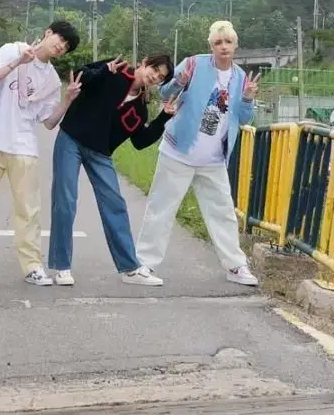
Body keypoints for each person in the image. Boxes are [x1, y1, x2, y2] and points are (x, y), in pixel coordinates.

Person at [136, 21, 260, 286]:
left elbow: (244, 117)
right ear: (211, 46)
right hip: (178, 151)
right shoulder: (193, 63)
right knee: (161, 208)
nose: (223, 47)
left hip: (214, 159)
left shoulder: (240, 78)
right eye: (218, 42)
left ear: (235, 45)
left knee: (223, 212)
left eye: (228, 42)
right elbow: (164, 92)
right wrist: (179, 81)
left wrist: (248, 97)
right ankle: (144, 263)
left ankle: (235, 266)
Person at [0, 20, 81, 290]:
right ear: (47, 32)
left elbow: (48, 122)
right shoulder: (12, 49)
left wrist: (68, 99)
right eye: (60, 39)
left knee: (28, 211)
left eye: (66, 46)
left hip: (25, 148)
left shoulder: (50, 78)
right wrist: (17, 63)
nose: (61, 46)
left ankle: (32, 266)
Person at [46, 52, 177, 287]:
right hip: (71, 139)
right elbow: (80, 76)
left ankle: (130, 269)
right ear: (144, 63)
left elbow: (140, 141)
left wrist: (162, 119)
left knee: (115, 205)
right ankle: (62, 266)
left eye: (159, 78)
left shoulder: (140, 110)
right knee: (65, 201)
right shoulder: (116, 70)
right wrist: (102, 71)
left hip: (100, 154)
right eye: (153, 71)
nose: (154, 78)